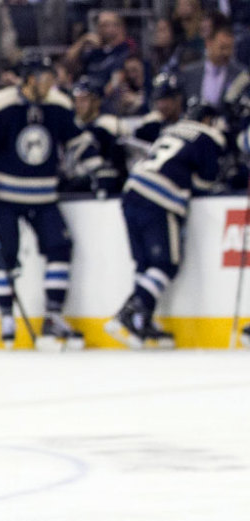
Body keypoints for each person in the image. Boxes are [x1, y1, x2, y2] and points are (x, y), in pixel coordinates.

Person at [0, 52, 99, 350]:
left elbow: (78, 143)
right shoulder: (1, 105)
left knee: (60, 247)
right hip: (5, 196)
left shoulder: (58, 105)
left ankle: (52, 316)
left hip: (44, 195)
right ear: (28, 79)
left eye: (51, 75)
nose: (50, 82)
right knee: (5, 256)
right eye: (43, 76)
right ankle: (6, 317)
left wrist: (100, 170)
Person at [105, 99, 226, 350]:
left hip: (132, 190)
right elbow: (206, 181)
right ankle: (129, 314)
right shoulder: (208, 136)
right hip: (160, 197)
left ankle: (141, 319)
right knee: (165, 264)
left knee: (145, 264)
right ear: (208, 120)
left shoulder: (170, 130)